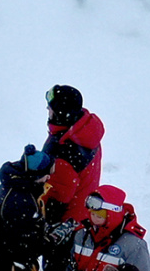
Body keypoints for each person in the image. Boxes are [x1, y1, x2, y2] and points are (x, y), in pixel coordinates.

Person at [40, 85, 105, 222]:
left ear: (60, 113)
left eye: (51, 108)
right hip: (83, 213)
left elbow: (55, 201)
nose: (47, 109)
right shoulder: (84, 132)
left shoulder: (64, 153)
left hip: (66, 226)